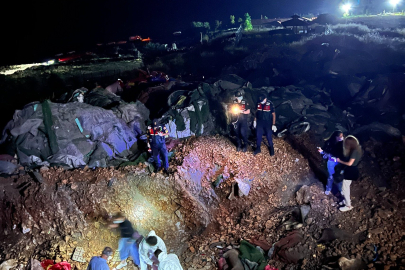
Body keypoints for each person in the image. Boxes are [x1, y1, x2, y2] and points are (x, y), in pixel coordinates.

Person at [336, 135, 363, 212]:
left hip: (351, 170)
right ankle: (346, 200)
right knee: (345, 186)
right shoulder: (357, 149)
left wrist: (339, 161)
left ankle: (348, 205)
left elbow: (350, 163)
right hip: (352, 170)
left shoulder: (354, 152)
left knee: (345, 188)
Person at [317, 130, 344, 195]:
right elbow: (326, 152)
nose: (341, 137)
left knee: (340, 177)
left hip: (340, 163)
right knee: (331, 176)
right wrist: (321, 152)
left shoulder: (343, 144)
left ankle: (341, 190)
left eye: (342, 136)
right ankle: (328, 189)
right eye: (340, 136)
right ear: (335, 137)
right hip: (331, 162)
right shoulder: (329, 143)